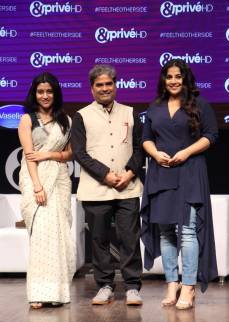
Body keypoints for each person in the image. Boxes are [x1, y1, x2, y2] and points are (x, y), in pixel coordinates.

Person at [141, 59, 218, 310]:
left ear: (186, 79)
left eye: (178, 76)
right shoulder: (154, 108)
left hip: (189, 171)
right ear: (163, 80)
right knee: (165, 231)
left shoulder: (200, 105)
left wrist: (186, 152)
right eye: (169, 77)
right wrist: (154, 153)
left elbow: (211, 136)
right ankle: (171, 283)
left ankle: (189, 286)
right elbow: (146, 139)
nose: (173, 81)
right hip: (161, 173)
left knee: (187, 231)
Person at [71, 64, 144, 305]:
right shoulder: (81, 116)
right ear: (92, 89)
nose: (105, 88)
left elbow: (139, 149)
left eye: (109, 84)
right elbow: (80, 153)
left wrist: (129, 173)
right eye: (99, 85)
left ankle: (133, 286)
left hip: (128, 186)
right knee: (99, 240)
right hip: (96, 188)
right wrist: (106, 175)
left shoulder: (131, 113)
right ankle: (104, 285)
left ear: (115, 85)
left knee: (129, 238)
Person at [18, 72, 76, 309]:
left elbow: (70, 153)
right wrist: (37, 186)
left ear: (55, 93)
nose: (45, 96)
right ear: (35, 93)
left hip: (60, 178)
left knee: (60, 234)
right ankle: (39, 292)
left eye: (49, 91)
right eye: (41, 91)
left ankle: (58, 291)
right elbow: (30, 156)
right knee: (42, 235)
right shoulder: (27, 120)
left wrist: (50, 154)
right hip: (37, 179)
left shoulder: (66, 120)